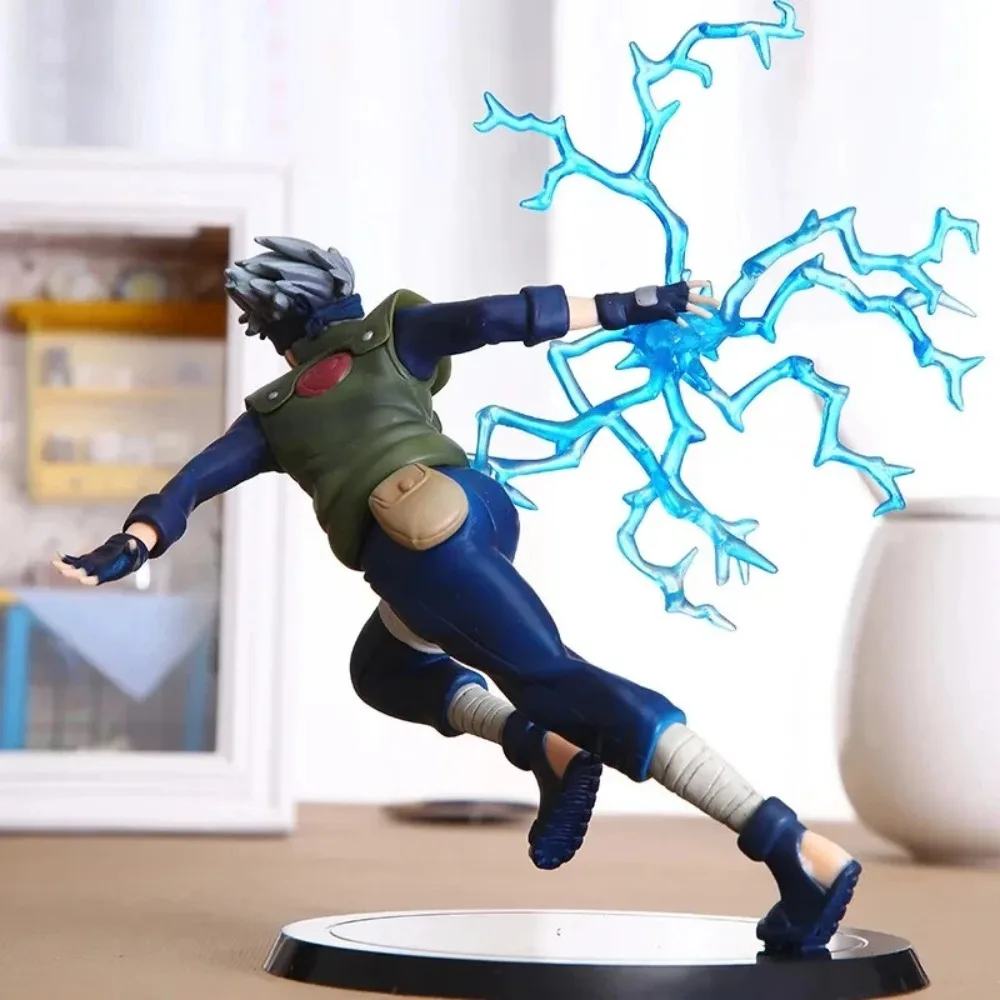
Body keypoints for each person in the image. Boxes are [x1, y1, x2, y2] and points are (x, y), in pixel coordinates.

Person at [55, 236, 860, 953]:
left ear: (276, 329)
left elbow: (189, 486)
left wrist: (135, 543)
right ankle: (545, 747)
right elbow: (500, 316)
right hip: (478, 509)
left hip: (420, 549)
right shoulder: (390, 334)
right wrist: (635, 303)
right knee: (385, 668)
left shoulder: (276, 414)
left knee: (558, 679)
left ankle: (790, 847)